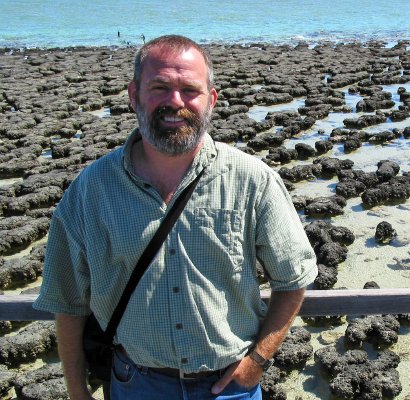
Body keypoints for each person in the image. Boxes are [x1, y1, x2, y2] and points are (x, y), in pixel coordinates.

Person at [33, 35, 318, 400]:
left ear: (211, 100)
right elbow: (67, 299)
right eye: (160, 87)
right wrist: (77, 390)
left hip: (230, 388)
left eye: (189, 89)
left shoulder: (252, 180)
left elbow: (294, 277)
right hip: (136, 384)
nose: (175, 101)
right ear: (134, 95)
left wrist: (259, 360)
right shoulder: (91, 190)